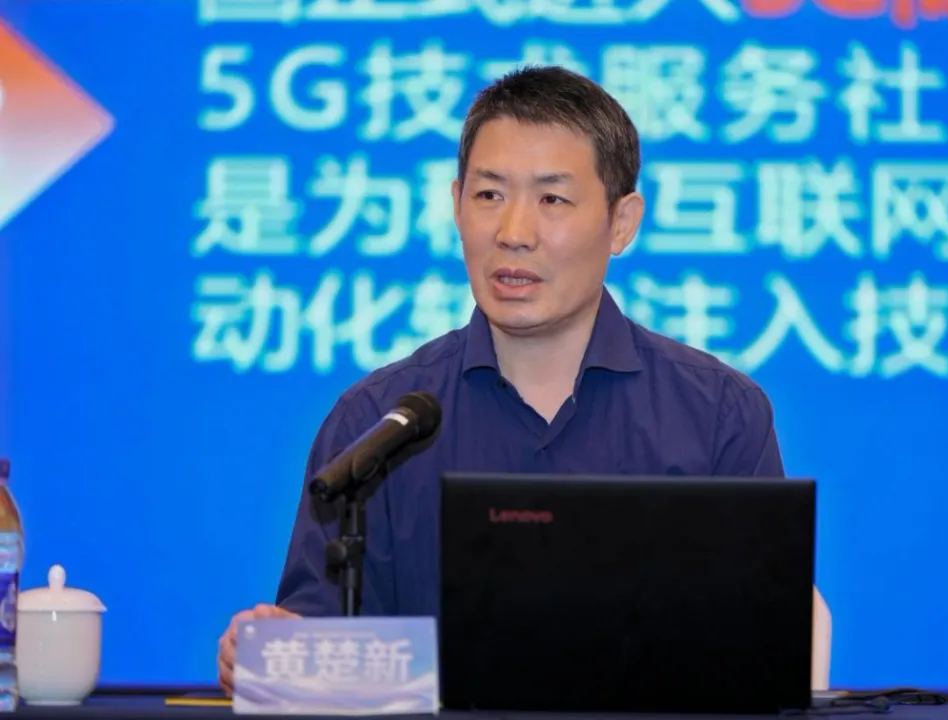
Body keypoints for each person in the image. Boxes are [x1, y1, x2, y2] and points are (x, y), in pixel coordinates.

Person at [216, 65, 786, 695]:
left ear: (622, 223)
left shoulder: (718, 416)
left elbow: (755, 657)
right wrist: (277, 654)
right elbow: (318, 656)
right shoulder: (376, 424)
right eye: (489, 195)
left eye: (552, 200)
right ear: (456, 204)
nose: (513, 234)